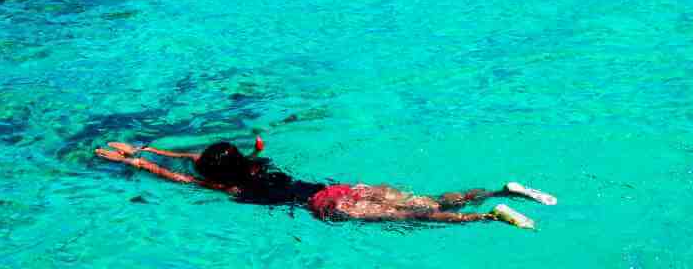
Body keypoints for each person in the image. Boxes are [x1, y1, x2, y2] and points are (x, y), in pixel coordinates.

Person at [94, 138, 556, 229]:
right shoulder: (260, 165)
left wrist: (136, 161)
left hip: (332, 208)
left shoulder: (234, 188)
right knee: (430, 200)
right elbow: (196, 156)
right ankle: (501, 190)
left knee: (420, 219)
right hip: (349, 189)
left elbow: (179, 175)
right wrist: (147, 147)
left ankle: (490, 216)